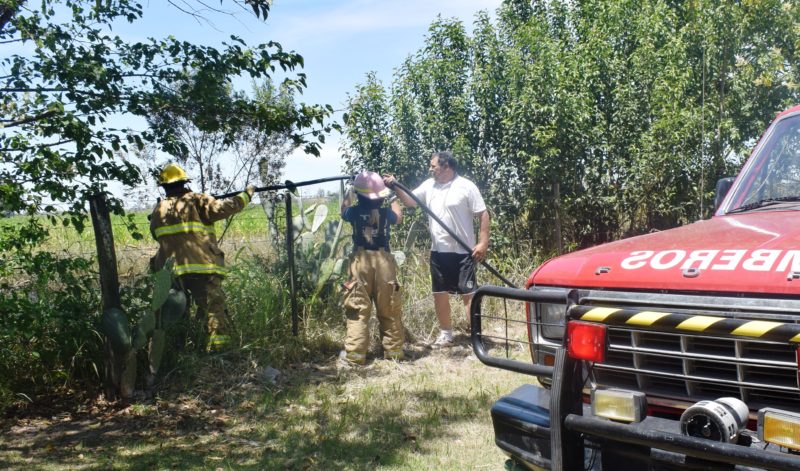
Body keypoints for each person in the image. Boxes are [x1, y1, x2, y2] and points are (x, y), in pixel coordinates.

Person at [385, 151, 489, 347]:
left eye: (433, 166)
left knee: (469, 295)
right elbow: (409, 201)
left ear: (447, 166)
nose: (430, 169)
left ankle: (476, 336)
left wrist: (483, 243)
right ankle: (446, 334)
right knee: (440, 293)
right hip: (438, 251)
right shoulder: (429, 185)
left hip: (463, 252)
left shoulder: (466, 186)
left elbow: (482, 213)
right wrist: (395, 186)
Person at [149, 163, 254, 352]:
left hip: (172, 273)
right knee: (212, 310)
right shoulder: (196, 200)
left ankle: (181, 351)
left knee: (178, 314)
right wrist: (246, 195)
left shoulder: (158, 210)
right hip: (203, 269)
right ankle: (219, 353)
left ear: (164, 187)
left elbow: (156, 235)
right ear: (184, 183)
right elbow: (223, 208)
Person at [339, 171, 405, 364]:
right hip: (384, 262)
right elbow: (398, 217)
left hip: (359, 263)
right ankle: (393, 352)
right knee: (389, 308)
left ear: (358, 195)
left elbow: (343, 210)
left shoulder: (354, 213)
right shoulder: (386, 214)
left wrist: (349, 190)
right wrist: (392, 193)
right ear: (381, 197)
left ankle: (355, 354)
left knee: (358, 309)